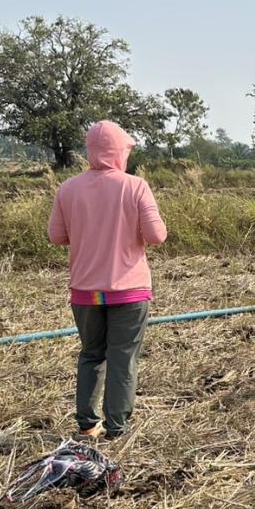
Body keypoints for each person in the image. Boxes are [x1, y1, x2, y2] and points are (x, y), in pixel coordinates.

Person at [48, 121, 168, 439]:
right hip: (128, 292)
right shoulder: (135, 186)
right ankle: (117, 426)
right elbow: (156, 236)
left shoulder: (68, 188)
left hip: (87, 294)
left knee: (91, 354)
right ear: (119, 151)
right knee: (122, 358)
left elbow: (56, 236)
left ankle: (87, 424)